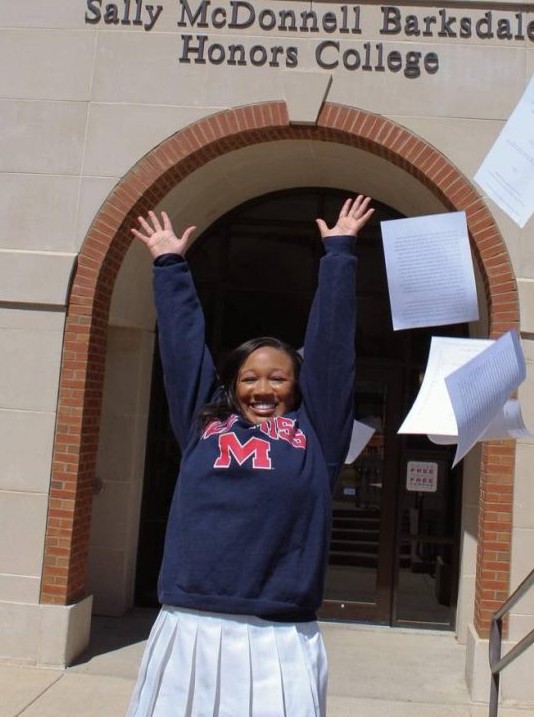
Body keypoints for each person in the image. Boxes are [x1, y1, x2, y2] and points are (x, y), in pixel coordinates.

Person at [126, 195, 375, 717]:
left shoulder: (317, 434)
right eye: (250, 377)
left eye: (278, 377)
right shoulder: (205, 423)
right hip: (189, 623)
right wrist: (170, 264)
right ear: (233, 386)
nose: (264, 387)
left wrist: (339, 254)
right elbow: (182, 352)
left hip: (277, 637)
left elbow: (332, 351)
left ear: (297, 386)